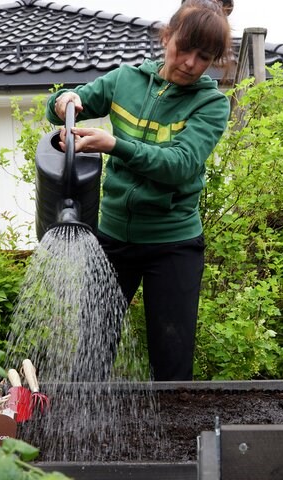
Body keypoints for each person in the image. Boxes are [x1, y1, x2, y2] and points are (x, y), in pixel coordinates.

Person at [45, 0, 232, 381]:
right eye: (184, 48)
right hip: (113, 239)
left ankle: (176, 421)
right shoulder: (125, 80)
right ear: (167, 37)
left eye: (204, 57)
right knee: (91, 354)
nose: (190, 63)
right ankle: (89, 418)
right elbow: (64, 105)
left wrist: (115, 145)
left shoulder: (211, 104)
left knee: (171, 361)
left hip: (173, 245)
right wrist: (64, 101)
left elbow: (179, 164)